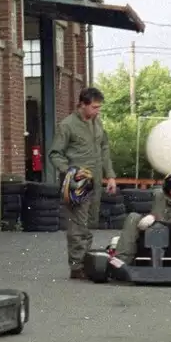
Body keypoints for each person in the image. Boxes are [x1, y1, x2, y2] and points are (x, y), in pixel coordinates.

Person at [48, 87, 118, 279]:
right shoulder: (67, 125)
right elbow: (55, 154)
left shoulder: (97, 123)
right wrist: (69, 171)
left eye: (99, 108)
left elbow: (104, 149)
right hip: (77, 182)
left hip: (95, 180)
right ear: (82, 105)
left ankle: (86, 261)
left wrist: (110, 176)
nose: (98, 111)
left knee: (89, 222)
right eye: (94, 107)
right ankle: (77, 266)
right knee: (78, 223)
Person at [115, 170, 171, 263]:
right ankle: (121, 260)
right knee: (133, 217)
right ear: (168, 190)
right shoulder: (158, 196)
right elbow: (157, 212)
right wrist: (149, 218)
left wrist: (154, 217)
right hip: (149, 238)